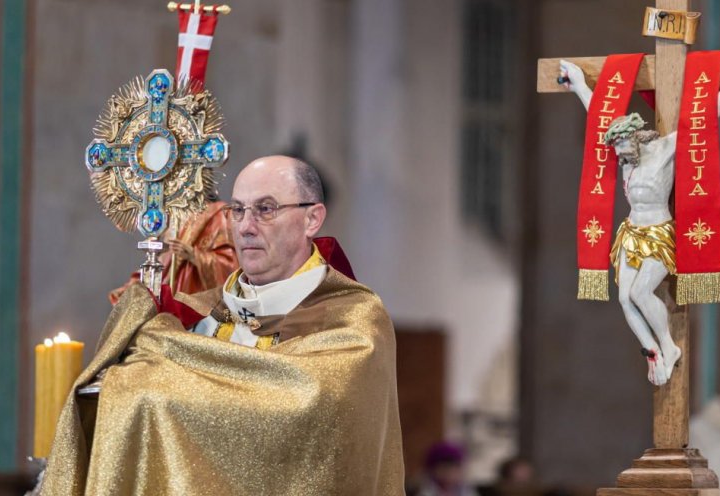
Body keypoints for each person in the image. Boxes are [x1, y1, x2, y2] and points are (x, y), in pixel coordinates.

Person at [39, 156, 405, 495]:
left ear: (312, 218)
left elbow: (313, 409)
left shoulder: (353, 320)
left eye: (265, 209)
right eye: (237, 210)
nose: (245, 227)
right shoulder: (197, 316)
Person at [558, 59, 720, 386]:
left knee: (640, 292)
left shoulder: (664, 148)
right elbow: (598, 116)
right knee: (624, 298)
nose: (620, 155)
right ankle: (653, 351)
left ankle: (668, 345)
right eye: (617, 150)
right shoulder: (624, 153)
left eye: (623, 147)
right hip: (631, 232)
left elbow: (702, 121)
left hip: (658, 232)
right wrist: (579, 84)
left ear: (635, 137)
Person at [107, 199, 237, 305]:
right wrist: (138, 282)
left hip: (195, 296)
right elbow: (165, 262)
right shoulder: (172, 216)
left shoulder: (217, 212)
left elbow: (229, 265)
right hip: (169, 295)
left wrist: (194, 255)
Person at [411, 442, 480, 496]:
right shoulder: (426, 492)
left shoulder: (467, 491)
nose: (450, 473)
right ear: (432, 469)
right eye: (445, 468)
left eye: (455, 468)